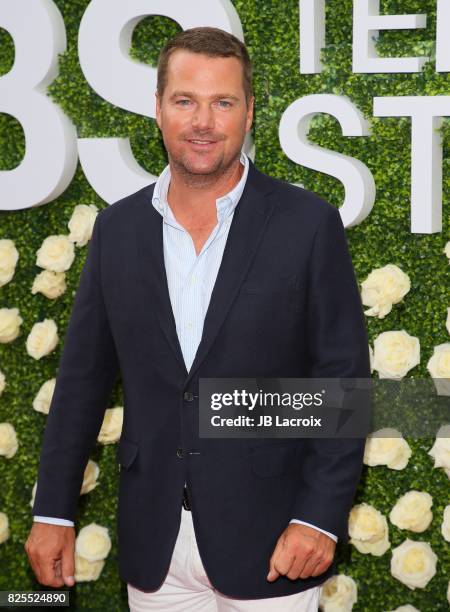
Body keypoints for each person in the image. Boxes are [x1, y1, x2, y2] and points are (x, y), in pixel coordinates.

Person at [25, 27, 371, 611]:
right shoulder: (117, 231)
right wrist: (54, 509)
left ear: (249, 112)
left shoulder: (307, 224)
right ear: (157, 109)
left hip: (274, 543)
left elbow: (343, 384)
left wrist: (319, 518)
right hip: (155, 548)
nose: (203, 121)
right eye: (185, 100)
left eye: (223, 102)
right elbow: (82, 380)